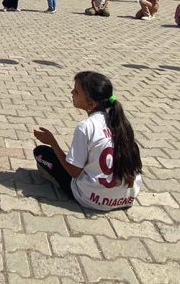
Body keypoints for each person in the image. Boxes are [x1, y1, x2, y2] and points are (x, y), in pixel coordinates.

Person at [33, 71, 141, 211]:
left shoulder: (86, 127)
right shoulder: (121, 124)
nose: (72, 92)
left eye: (76, 91)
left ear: (90, 104)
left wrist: (52, 142)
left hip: (92, 199)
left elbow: (74, 173)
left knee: (41, 152)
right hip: (126, 198)